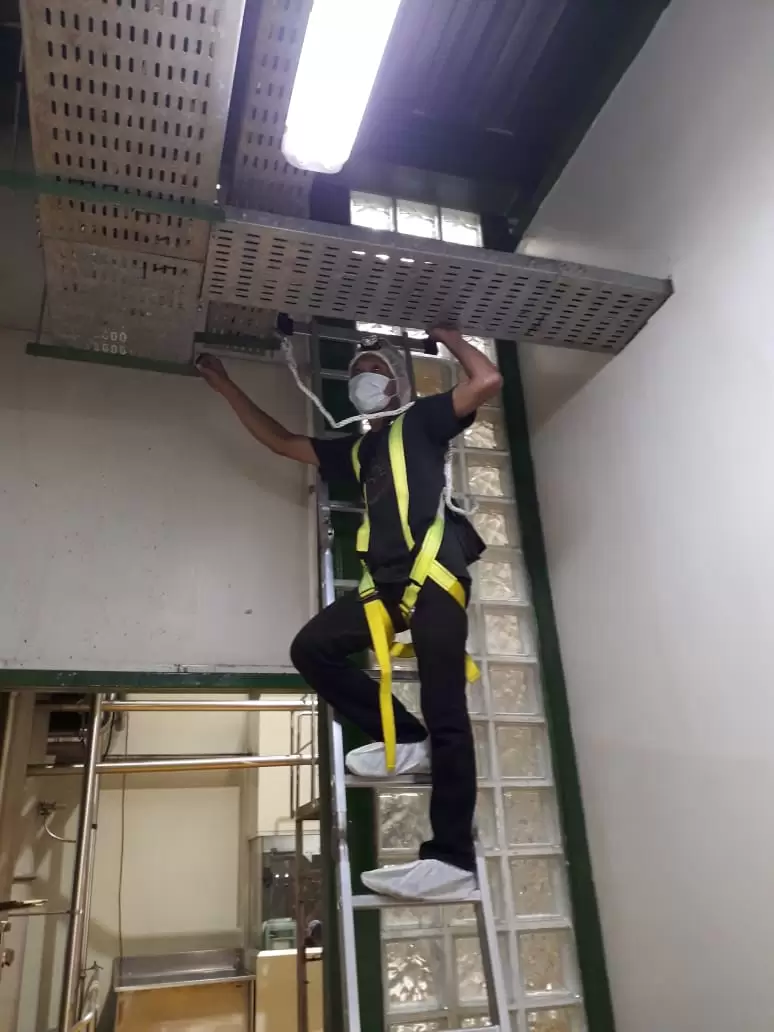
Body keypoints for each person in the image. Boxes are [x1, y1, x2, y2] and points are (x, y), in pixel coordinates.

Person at [198, 327, 503, 902]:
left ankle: (452, 859)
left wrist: (445, 332)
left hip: (435, 578)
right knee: (311, 649)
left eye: (376, 369)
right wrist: (226, 387)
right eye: (357, 370)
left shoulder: (423, 422)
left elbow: (486, 379)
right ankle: (405, 737)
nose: (363, 376)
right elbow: (282, 442)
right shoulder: (359, 451)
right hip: (385, 587)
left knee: (447, 710)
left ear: (399, 385)